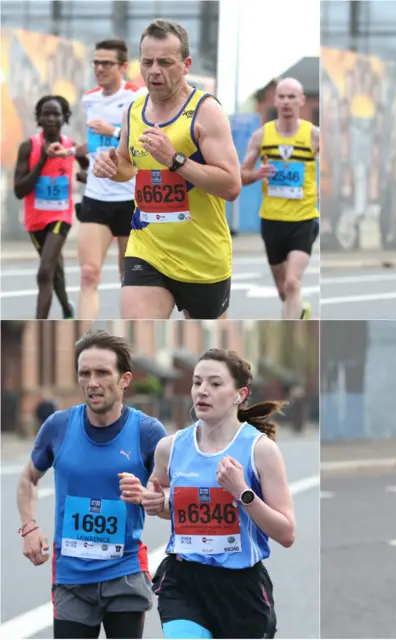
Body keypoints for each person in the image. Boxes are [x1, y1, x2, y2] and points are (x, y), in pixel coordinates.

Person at [16, 330, 168, 639]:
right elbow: (29, 479)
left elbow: (171, 500)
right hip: (71, 577)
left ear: (125, 379)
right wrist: (29, 527)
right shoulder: (58, 426)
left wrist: (147, 496)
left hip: (124, 570)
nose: (92, 382)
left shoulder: (149, 433)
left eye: (102, 373)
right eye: (84, 373)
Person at [138, 348, 296, 639]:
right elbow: (161, 500)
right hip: (184, 582)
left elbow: (286, 533)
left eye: (215, 383)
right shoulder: (170, 448)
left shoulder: (260, 450)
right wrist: (156, 502)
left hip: (240, 589)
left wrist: (242, 492)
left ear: (239, 394)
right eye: (197, 382)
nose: (202, 391)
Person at [93, 19, 241, 319]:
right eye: (147, 62)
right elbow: (126, 166)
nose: (154, 71)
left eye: (165, 62)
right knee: (137, 328)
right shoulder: (133, 111)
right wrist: (111, 165)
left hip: (202, 256)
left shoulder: (206, 112)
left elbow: (231, 186)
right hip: (148, 246)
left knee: (210, 343)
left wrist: (175, 160)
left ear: (185, 65)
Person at [50, 40, 146, 320]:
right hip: (96, 196)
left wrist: (114, 131)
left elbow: (142, 142)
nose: (100, 68)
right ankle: (85, 336)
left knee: (129, 280)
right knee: (88, 274)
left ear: (123, 67)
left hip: (130, 197)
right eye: (96, 62)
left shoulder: (137, 97)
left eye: (107, 63)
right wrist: (68, 151)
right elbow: (94, 145)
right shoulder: (89, 98)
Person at [240, 77, 319, 320]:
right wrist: (257, 174)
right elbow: (240, 176)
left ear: (301, 101)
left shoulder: (314, 136)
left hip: (303, 219)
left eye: (292, 96)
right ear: (275, 100)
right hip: (272, 220)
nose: (286, 101)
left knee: (293, 283)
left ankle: (292, 322)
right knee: (283, 288)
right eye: (282, 96)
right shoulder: (262, 136)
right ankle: (300, 311)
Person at [13, 95, 89, 319]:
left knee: (44, 271)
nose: (51, 118)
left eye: (56, 113)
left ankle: (40, 322)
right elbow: (19, 190)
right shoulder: (28, 147)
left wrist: (85, 176)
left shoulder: (71, 146)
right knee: (55, 269)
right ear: (38, 118)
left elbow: (90, 169)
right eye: (46, 113)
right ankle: (67, 309)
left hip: (60, 217)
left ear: (64, 117)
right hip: (35, 220)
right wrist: (43, 161)